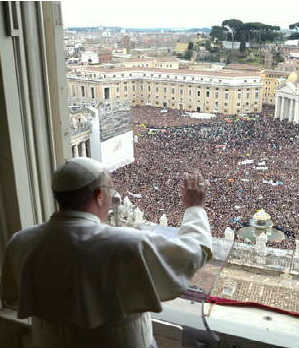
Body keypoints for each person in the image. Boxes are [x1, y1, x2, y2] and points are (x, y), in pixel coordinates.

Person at [1, 157, 212, 348]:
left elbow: (13, 298)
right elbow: (194, 253)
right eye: (110, 189)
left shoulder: (21, 242)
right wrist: (195, 207)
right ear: (99, 195)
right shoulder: (127, 244)